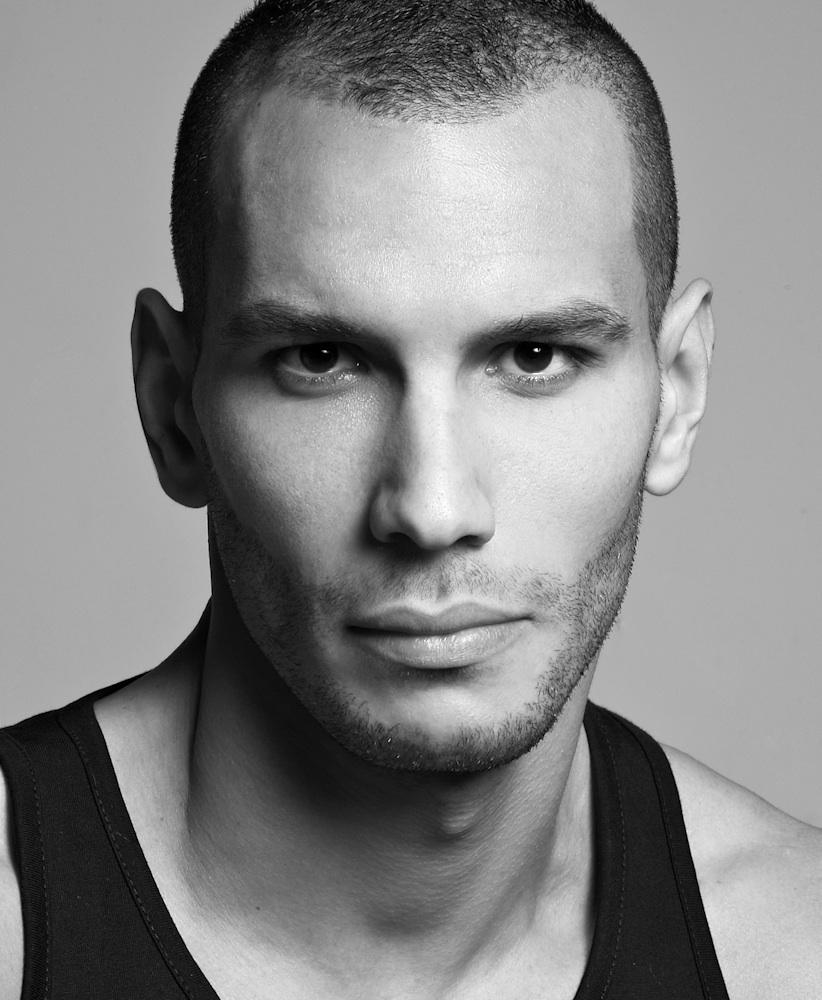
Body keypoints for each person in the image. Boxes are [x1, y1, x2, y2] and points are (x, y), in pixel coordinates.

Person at [1, 0, 820, 995]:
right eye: (320, 359)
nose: (432, 510)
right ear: (175, 408)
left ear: (677, 393)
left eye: (535, 356)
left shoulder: (796, 954)